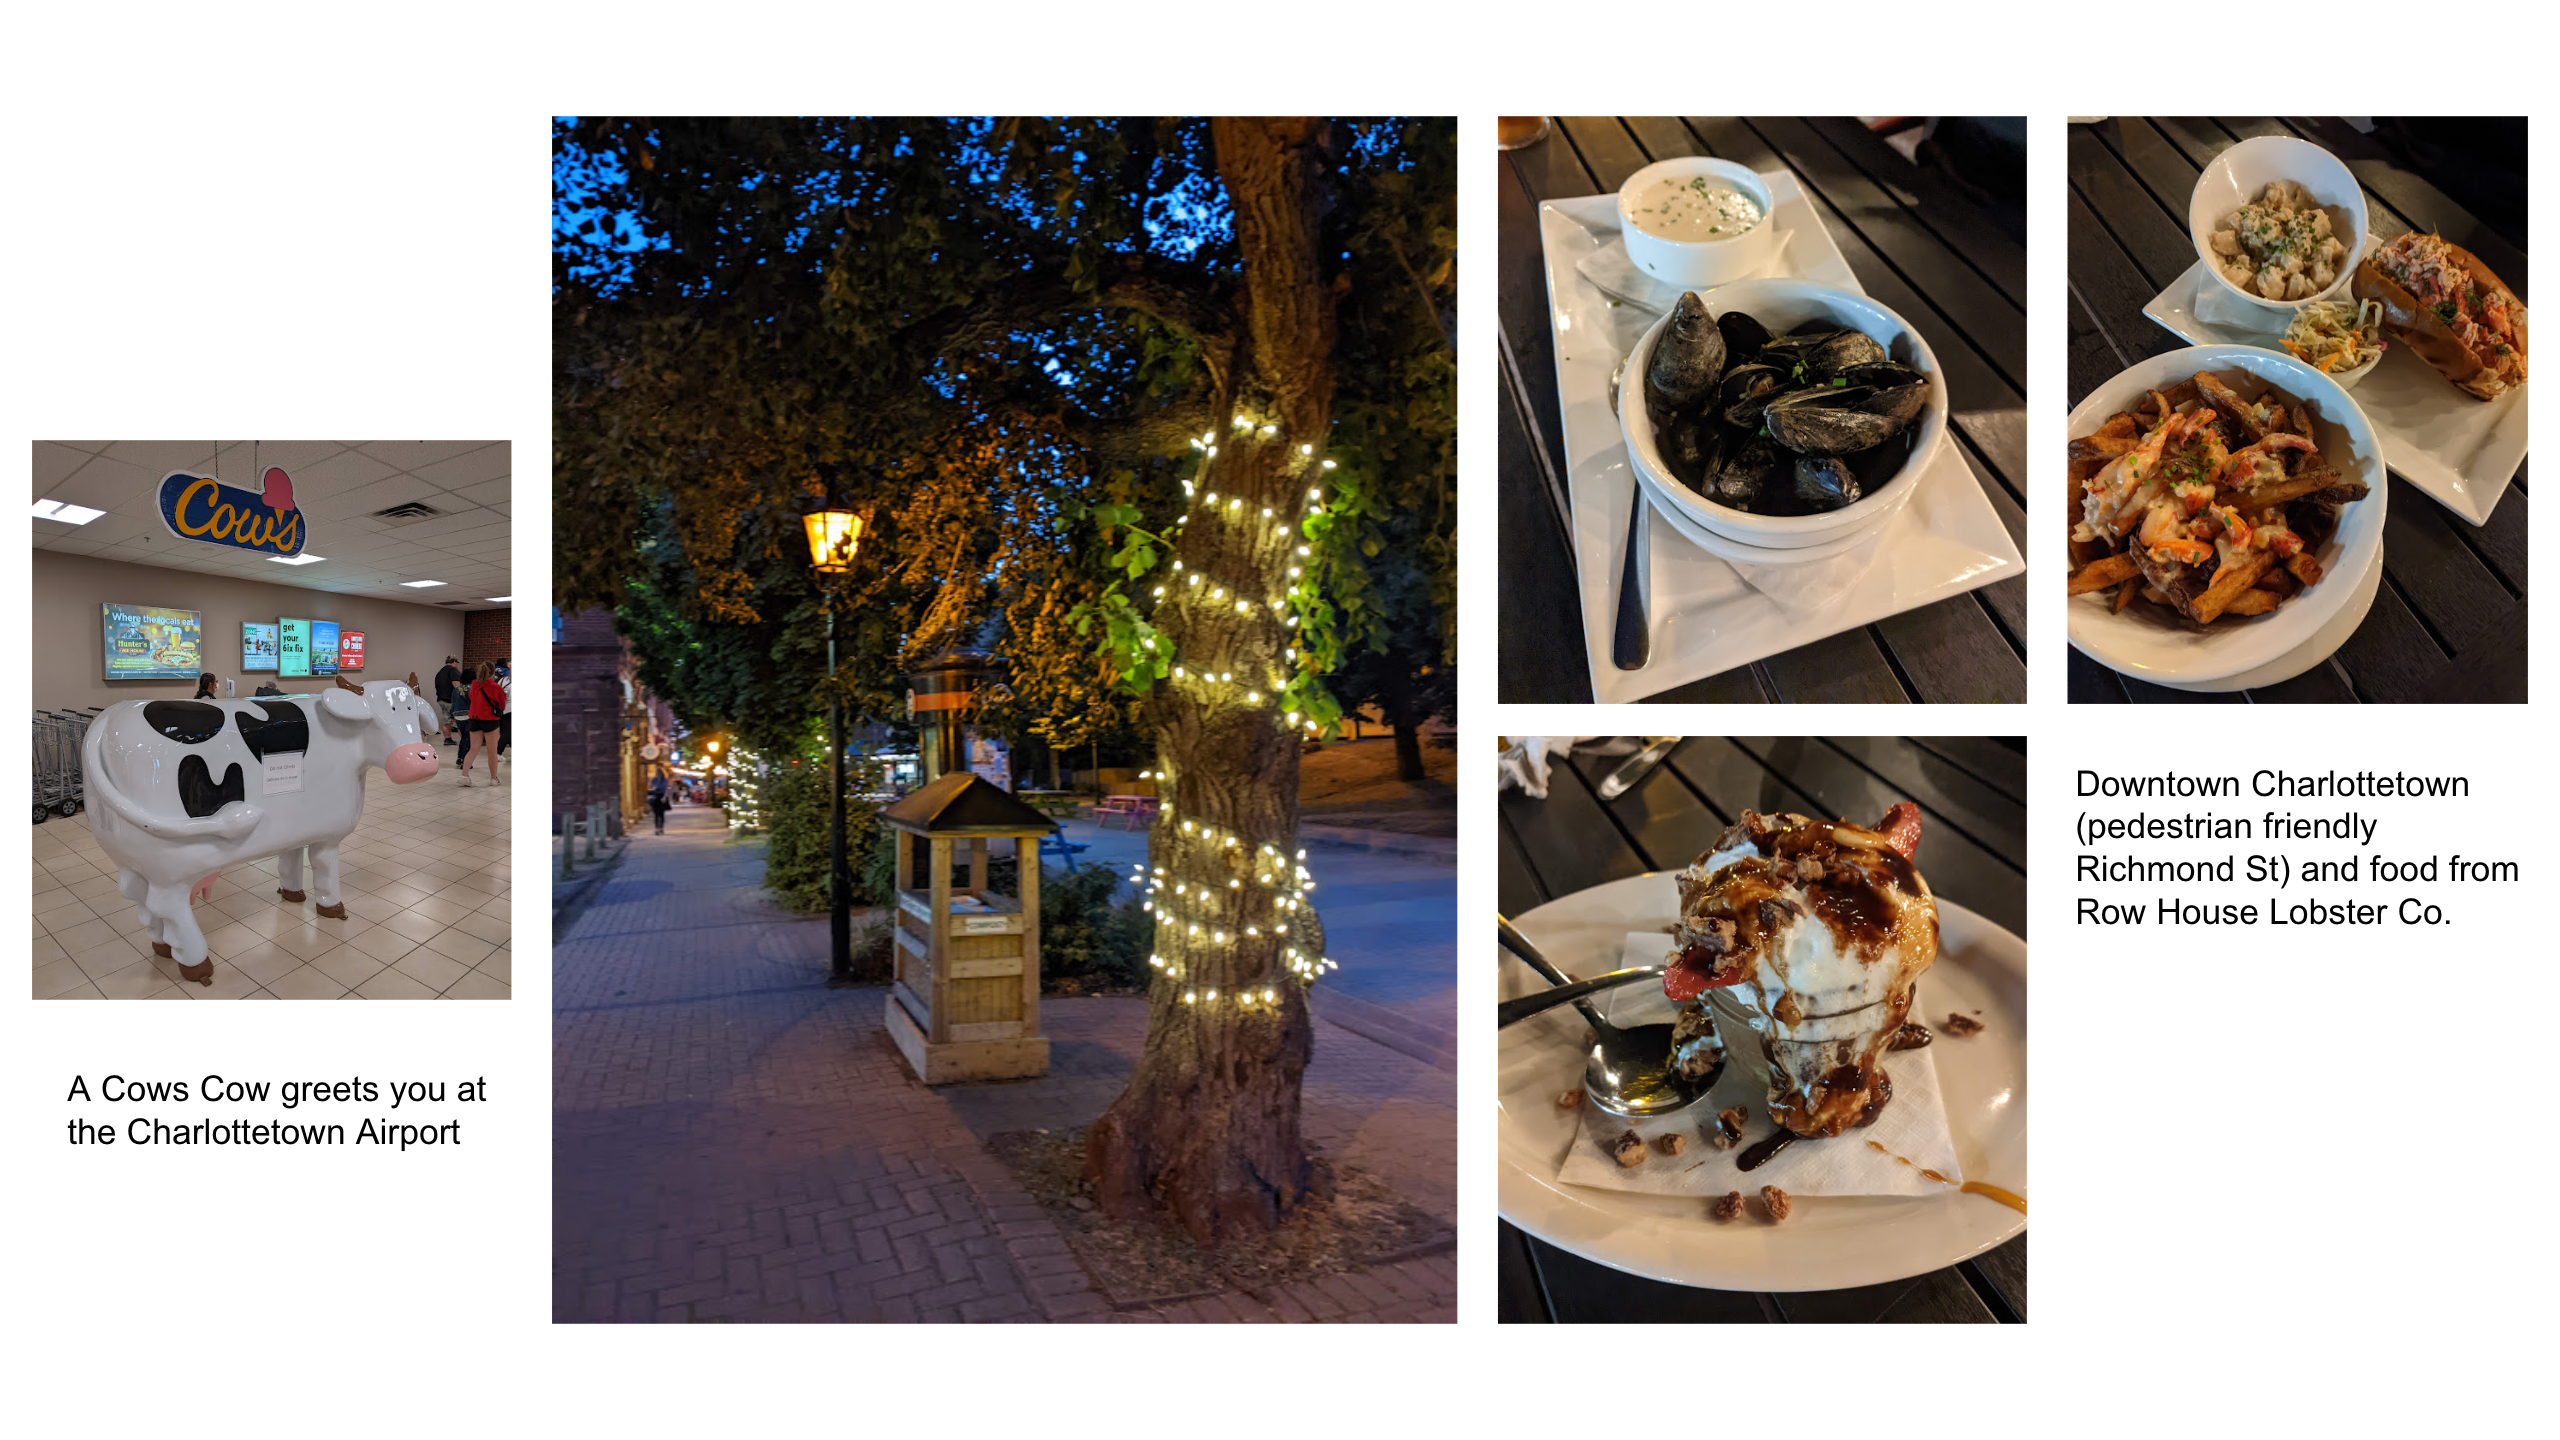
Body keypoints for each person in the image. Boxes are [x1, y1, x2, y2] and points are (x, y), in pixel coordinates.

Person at [457, 661, 507, 786]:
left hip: (474, 719)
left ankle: (464, 776)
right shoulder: (496, 687)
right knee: (492, 751)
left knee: (473, 749)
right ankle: (493, 779)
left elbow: (472, 699)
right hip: (490, 720)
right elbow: (502, 705)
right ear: (493, 672)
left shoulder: (474, 685)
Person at [433, 656, 463, 747]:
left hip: (441, 699)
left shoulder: (440, 672)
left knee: (446, 720)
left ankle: (447, 739)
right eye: (456, 662)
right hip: (452, 701)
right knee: (460, 721)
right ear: (454, 662)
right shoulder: (453, 670)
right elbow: (456, 685)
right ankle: (465, 740)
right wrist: (463, 696)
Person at [647, 769, 671, 834]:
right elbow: (649, 788)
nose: (657, 774)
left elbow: (667, 789)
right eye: (656, 773)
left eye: (658, 773)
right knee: (656, 814)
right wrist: (652, 789)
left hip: (662, 797)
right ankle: (657, 828)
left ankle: (661, 828)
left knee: (661, 814)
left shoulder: (665, 780)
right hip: (655, 797)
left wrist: (665, 797)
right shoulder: (654, 780)